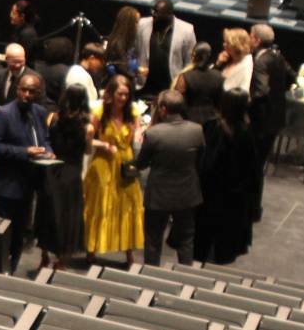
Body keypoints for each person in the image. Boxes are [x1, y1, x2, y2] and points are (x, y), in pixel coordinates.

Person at [0, 73, 52, 271]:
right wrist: (25, 152)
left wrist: (48, 152)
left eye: (31, 91)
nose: (26, 94)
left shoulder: (39, 112)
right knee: (1, 235)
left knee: (18, 236)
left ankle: (11, 270)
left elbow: (45, 139)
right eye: (23, 90)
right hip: (6, 186)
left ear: (38, 93)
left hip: (28, 186)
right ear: (17, 90)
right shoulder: (4, 114)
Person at [135, 91, 205, 265]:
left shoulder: (154, 133)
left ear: (163, 109)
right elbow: (201, 161)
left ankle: (152, 278)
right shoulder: (197, 130)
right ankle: (185, 278)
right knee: (186, 241)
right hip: (187, 193)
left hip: (159, 195)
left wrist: (136, 144)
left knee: (153, 242)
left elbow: (141, 164)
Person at [85, 74, 148, 266]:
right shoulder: (99, 112)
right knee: (101, 205)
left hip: (125, 164)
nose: (123, 98)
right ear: (111, 93)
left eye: (126, 94)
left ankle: (129, 253)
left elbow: (136, 137)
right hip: (103, 164)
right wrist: (103, 144)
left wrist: (141, 138)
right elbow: (87, 139)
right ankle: (92, 249)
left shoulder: (133, 114)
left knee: (128, 205)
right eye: (120, 94)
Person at [195, 89, 257, 265]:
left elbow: (204, 163)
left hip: (210, 194)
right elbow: (253, 170)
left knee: (204, 240)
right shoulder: (247, 132)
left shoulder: (213, 128)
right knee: (223, 243)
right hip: (233, 197)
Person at [36, 84, 90, 271]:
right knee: (68, 215)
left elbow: (47, 140)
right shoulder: (87, 125)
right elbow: (88, 150)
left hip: (52, 169)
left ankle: (44, 255)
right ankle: (61, 260)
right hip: (72, 172)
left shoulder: (53, 118)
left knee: (47, 211)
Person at [247, 23, 292, 225]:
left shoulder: (261, 62)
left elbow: (260, 91)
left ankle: (252, 209)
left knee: (254, 166)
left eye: (250, 36)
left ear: (257, 40)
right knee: (258, 165)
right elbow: (291, 76)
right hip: (275, 120)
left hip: (260, 122)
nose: (248, 38)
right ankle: (253, 208)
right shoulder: (278, 57)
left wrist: (245, 101)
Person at [134, 0, 195, 98]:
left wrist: (182, 83)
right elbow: (135, 50)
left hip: (171, 86)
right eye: (153, 11)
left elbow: (190, 61)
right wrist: (137, 69)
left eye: (158, 13)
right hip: (145, 85)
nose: (154, 15)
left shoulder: (186, 30)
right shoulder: (142, 24)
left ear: (169, 14)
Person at [172, 43, 224, 125]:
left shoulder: (185, 76)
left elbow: (178, 101)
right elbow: (221, 101)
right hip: (213, 121)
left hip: (190, 120)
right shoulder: (218, 76)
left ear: (194, 55)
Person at [0, 43, 30, 118]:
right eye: (14, 61)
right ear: (6, 59)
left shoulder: (34, 79)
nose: (18, 65)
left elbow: (38, 111)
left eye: (21, 61)